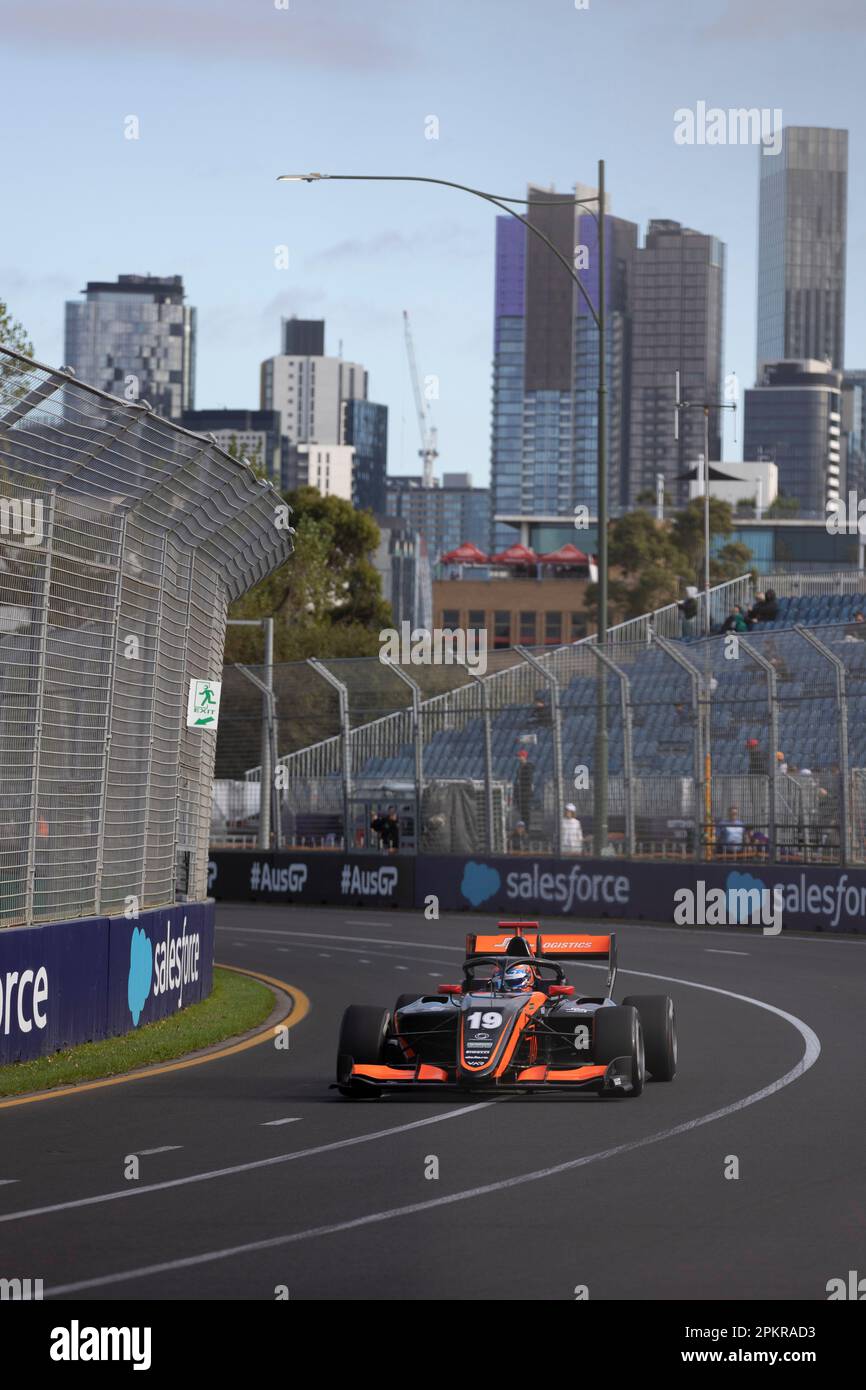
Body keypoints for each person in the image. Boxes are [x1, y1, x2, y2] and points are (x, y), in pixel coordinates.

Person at [513, 748, 534, 824]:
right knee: (522, 812)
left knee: (525, 812)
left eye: (520, 756)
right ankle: (523, 827)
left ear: (524, 757)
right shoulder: (520, 768)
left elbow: (528, 781)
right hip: (521, 793)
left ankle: (526, 828)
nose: (519, 758)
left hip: (525, 793)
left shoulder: (527, 768)